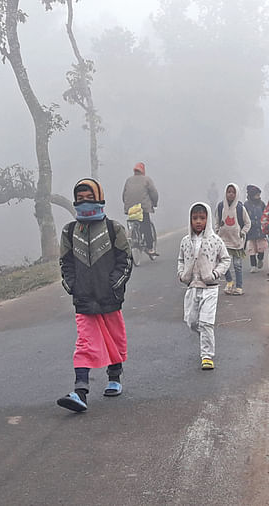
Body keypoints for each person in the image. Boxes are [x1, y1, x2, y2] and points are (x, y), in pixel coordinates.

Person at [58, 178, 133, 412]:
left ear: (100, 198)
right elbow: (65, 263)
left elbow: (125, 261)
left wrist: (114, 286)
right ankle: (80, 391)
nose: (84, 202)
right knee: (85, 344)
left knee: (114, 339)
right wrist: (73, 286)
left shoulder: (114, 229)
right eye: (79, 199)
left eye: (88, 198)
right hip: (83, 300)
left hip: (109, 298)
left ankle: (114, 377)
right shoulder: (69, 231)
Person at [177, 202, 231, 370]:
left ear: (207, 219)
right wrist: (181, 274)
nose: (198, 221)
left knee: (206, 322)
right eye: (195, 218)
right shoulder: (185, 241)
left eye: (202, 218)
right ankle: (205, 336)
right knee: (192, 322)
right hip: (192, 287)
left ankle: (207, 356)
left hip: (210, 288)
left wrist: (215, 274)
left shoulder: (215, 241)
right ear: (190, 220)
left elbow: (225, 259)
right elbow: (180, 260)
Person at [214, 183, 251, 296]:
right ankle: (229, 282)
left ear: (237, 194)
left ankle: (239, 287)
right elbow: (217, 221)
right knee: (223, 264)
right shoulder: (221, 206)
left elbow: (247, 223)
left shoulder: (240, 208)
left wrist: (243, 232)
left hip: (237, 242)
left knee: (237, 265)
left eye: (233, 192)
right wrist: (217, 232)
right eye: (229, 191)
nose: (231, 194)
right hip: (223, 241)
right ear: (225, 193)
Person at [122, 162, 160, 258]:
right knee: (146, 225)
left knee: (135, 222)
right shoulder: (146, 180)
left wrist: (127, 205)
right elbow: (154, 193)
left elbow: (124, 195)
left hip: (130, 209)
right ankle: (150, 248)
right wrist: (154, 203)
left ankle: (134, 236)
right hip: (142, 208)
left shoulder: (128, 180)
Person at [244, 185, 267, 274]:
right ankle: (253, 266)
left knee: (261, 247)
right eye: (256, 195)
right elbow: (243, 216)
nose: (258, 197)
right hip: (250, 230)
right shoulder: (246, 205)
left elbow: (266, 214)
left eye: (259, 195)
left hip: (260, 229)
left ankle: (260, 259)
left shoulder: (261, 204)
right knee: (251, 249)